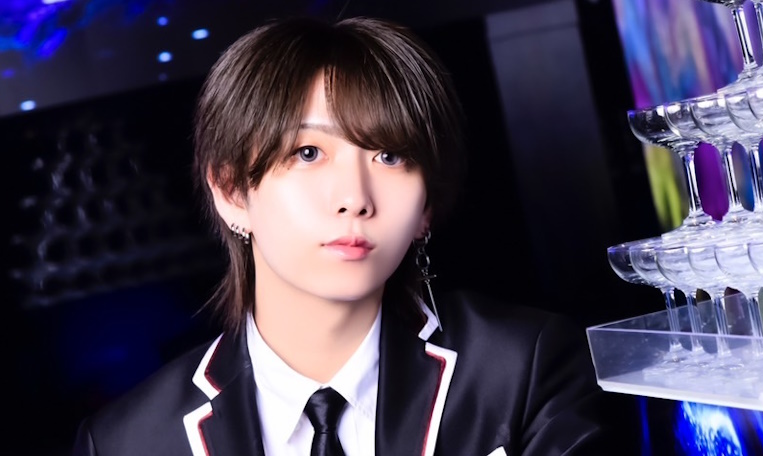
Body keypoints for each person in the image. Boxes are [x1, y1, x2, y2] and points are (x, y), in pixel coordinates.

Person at [72, 15, 608, 456]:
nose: (355, 197)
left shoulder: (522, 369)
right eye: (308, 153)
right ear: (232, 192)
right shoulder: (128, 441)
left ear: (425, 208)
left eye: (390, 156)